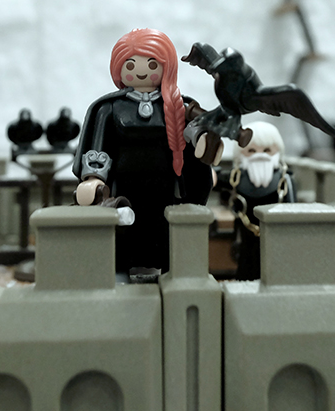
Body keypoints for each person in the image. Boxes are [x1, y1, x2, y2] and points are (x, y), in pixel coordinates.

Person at [73, 28, 219, 277]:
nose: (141, 72)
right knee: (123, 230)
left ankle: (171, 275)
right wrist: (94, 178)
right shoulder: (110, 108)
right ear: (119, 68)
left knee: (166, 231)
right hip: (124, 187)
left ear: (166, 67)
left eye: (152, 65)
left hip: (165, 186)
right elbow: (98, 144)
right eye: (130, 65)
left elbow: (194, 134)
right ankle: (119, 274)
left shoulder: (177, 106)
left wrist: (205, 151)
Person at [228, 120, 294, 281]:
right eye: (251, 150)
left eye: (267, 150)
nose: (259, 155)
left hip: (277, 237)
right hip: (246, 235)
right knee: (246, 263)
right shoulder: (237, 179)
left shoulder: (284, 180)